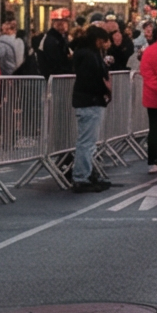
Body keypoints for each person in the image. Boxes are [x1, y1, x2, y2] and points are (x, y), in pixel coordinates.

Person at [70, 21, 112, 189]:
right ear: (97, 40)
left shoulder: (83, 53)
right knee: (87, 142)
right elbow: (93, 78)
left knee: (87, 141)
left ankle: (86, 173)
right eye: (102, 41)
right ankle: (81, 176)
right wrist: (105, 90)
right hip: (91, 101)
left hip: (86, 101)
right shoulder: (90, 56)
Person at [140, 20, 157, 169]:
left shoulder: (149, 51)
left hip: (152, 97)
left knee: (154, 130)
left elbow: (146, 74)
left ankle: (152, 161)